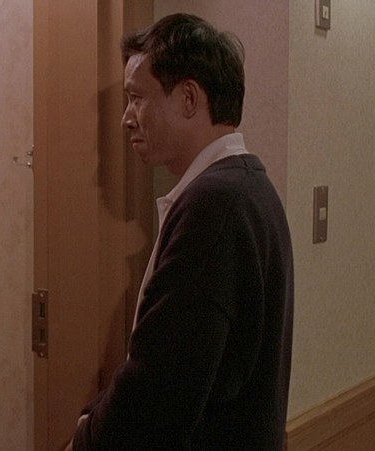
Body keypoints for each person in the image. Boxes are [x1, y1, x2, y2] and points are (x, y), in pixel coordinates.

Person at [68, 14, 294, 450]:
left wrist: (84, 439)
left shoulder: (216, 204)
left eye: (137, 98)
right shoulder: (249, 185)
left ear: (189, 98)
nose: (126, 119)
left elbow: (160, 387)